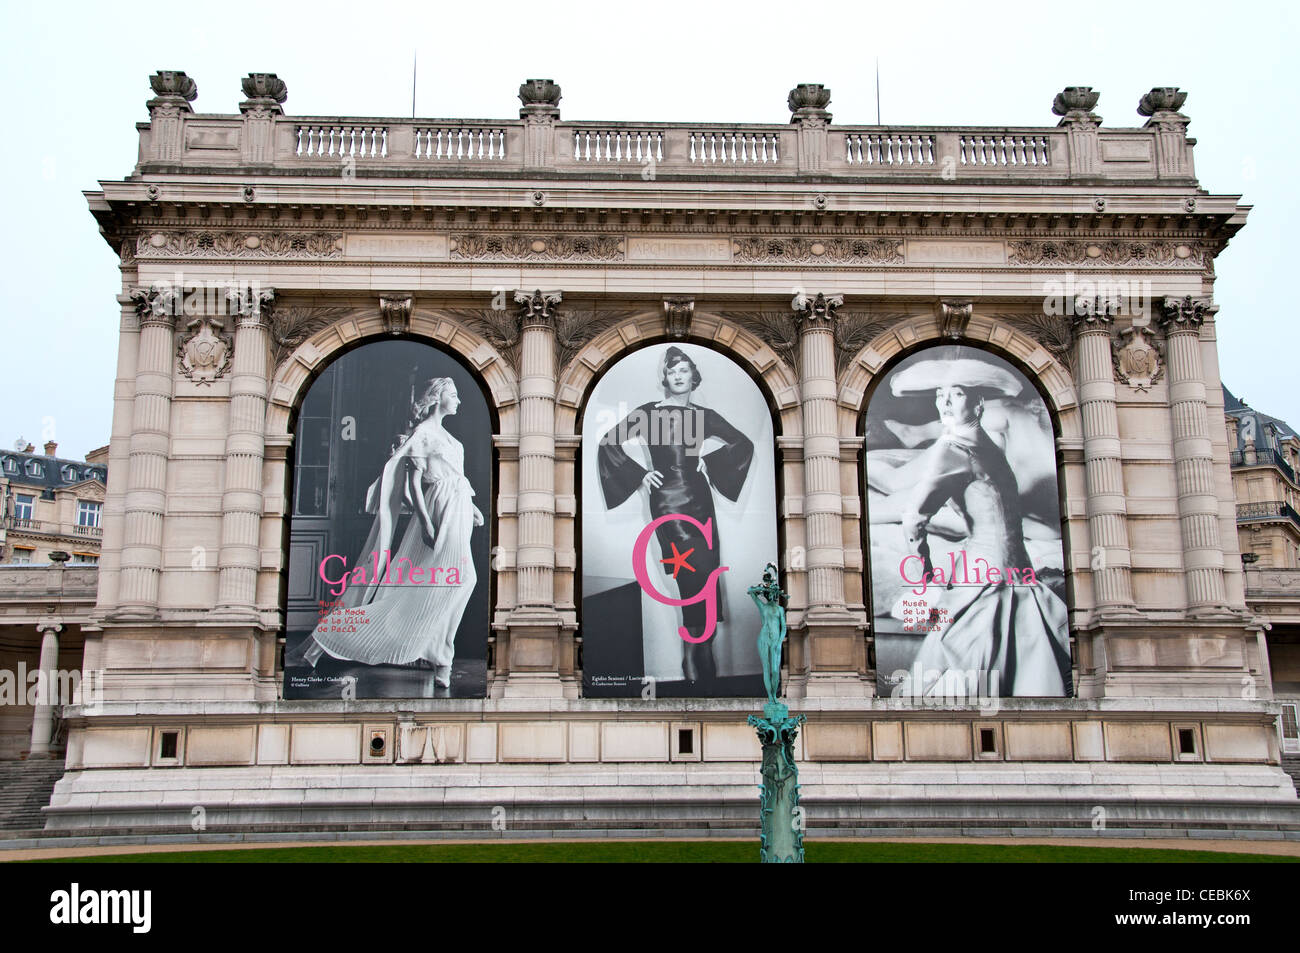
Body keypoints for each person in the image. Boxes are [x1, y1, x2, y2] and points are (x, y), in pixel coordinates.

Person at [867, 354, 1071, 697]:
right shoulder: (958, 449)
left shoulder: (983, 446)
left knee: (1001, 659)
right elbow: (914, 518)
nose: (944, 402)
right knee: (983, 661)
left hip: (1007, 573)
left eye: (957, 394)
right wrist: (927, 574)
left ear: (977, 404)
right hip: (987, 576)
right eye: (939, 394)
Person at [301, 377, 484, 689]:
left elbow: (458, 477)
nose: (459, 401)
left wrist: (471, 506)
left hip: (459, 508)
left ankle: (438, 655)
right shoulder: (423, 433)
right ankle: (439, 658)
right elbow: (414, 484)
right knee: (456, 580)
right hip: (440, 509)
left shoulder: (448, 437)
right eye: (453, 395)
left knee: (452, 583)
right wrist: (426, 522)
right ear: (438, 398)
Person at [597, 346, 754, 690]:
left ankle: (696, 648)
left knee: (706, 573)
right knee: (690, 572)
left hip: (700, 498)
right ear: (665, 378)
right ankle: (696, 650)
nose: (678, 376)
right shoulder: (648, 413)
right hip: (667, 500)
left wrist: (710, 463)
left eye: (684, 370)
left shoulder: (703, 415)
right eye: (672, 371)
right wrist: (640, 475)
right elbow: (609, 443)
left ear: (693, 376)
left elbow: (743, 443)